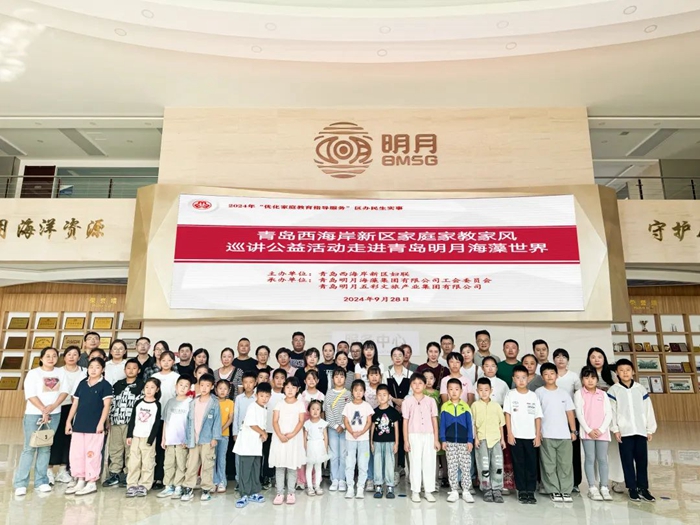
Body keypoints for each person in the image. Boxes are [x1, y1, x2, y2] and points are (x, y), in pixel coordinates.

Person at [14, 347, 69, 497]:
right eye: (48, 356)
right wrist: (43, 409)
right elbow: (30, 394)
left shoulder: (61, 372)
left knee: (45, 447)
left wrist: (52, 407)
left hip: (54, 414)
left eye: (54, 356)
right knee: (29, 448)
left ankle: (41, 481)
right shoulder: (34, 373)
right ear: (41, 358)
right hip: (34, 414)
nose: (51, 359)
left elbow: (64, 392)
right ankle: (21, 483)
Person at [609, 358, 657, 503]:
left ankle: (643, 488)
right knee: (627, 461)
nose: (625, 373)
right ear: (617, 373)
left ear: (633, 372)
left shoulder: (640, 389)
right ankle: (632, 488)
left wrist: (650, 429)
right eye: (621, 370)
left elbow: (648, 409)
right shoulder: (614, 390)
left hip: (640, 430)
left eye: (628, 370)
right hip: (625, 432)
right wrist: (615, 429)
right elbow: (612, 411)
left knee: (642, 461)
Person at [64, 357, 113, 496]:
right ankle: (80, 479)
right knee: (77, 453)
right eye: (91, 367)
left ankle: (91, 481)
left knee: (92, 453)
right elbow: (75, 404)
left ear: (102, 369)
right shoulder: (82, 384)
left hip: (95, 427)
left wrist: (101, 423)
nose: (93, 370)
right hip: (79, 425)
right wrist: (68, 421)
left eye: (97, 367)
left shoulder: (105, 385)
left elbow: (106, 406)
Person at [536, 363, 577, 503]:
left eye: (552, 373)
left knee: (565, 464)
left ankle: (565, 490)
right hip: (546, 434)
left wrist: (573, 431)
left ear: (557, 375)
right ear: (542, 377)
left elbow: (570, 413)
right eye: (546, 374)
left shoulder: (563, 393)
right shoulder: (539, 392)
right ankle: (553, 490)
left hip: (564, 435)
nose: (549, 376)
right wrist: (538, 432)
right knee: (549, 464)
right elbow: (536, 415)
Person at [587, 347, 625, 494]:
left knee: (614, 451)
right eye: (593, 357)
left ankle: (617, 479)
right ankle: (597, 481)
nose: (596, 360)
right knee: (596, 453)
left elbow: (619, 393)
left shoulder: (611, 375)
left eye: (600, 357)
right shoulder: (587, 374)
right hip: (594, 419)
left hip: (611, 418)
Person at [504, 365, 542, 504]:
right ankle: (521, 490)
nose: (521, 380)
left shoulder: (533, 395)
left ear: (528, 379)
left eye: (524, 378)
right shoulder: (510, 394)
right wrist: (509, 433)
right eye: (518, 378)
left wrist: (537, 435)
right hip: (516, 436)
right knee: (518, 464)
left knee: (531, 464)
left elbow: (538, 416)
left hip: (531, 436)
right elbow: (507, 414)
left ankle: (530, 491)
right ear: (513, 379)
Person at [574, 366, 613, 501]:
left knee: (602, 459)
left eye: (593, 377)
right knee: (590, 458)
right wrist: (588, 430)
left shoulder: (603, 394)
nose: (590, 380)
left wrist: (601, 429)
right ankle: (592, 487)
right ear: (582, 379)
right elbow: (579, 413)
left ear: (597, 379)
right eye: (586, 378)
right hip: (587, 433)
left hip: (603, 433)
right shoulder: (579, 394)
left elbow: (609, 413)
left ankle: (604, 487)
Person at [103, 358, 143, 488]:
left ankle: (128, 474)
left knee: (130, 449)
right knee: (115, 448)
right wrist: (108, 420)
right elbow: (111, 403)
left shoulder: (141, 385)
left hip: (131, 423)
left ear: (139, 370)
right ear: (124, 370)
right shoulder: (117, 385)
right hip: (116, 421)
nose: (131, 370)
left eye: (134, 368)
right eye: (128, 368)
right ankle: (114, 473)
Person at [181, 374, 221, 502]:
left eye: (207, 386)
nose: (204, 388)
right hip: (194, 439)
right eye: (202, 385)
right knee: (191, 464)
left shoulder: (214, 403)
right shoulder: (193, 402)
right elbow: (188, 422)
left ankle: (206, 489)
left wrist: (215, 437)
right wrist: (187, 439)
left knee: (207, 464)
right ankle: (188, 487)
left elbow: (217, 421)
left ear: (212, 387)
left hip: (207, 439)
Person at [49, 345, 85, 485]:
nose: (71, 357)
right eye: (69, 354)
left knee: (69, 439)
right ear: (64, 357)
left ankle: (63, 470)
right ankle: (49, 469)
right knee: (54, 438)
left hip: (76, 408)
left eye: (75, 354)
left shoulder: (84, 371)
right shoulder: (57, 371)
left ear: (79, 357)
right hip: (58, 407)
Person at [403, 372, 440, 503]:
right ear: (411, 385)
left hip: (429, 435)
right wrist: (406, 440)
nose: (417, 385)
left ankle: (428, 491)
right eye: (414, 383)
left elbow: (434, 420)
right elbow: (405, 421)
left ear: (425, 385)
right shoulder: (407, 401)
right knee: (415, 463)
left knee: (429, 463)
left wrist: (436, 439)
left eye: (420, 383)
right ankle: (415, 491)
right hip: (413, 435)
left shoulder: (431, 401)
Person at [269, 377, 307, 505]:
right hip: (279, 438)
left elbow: (301, 421)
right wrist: (280, 435)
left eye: (293, 387)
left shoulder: (300, 404)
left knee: (292, 466)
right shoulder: (279, 403)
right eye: (288, 387)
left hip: (294, 439)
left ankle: (291, 492)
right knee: (280, 466)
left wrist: (291, 435)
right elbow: (275, 421)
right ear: (284, 388)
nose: (290, 390)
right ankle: (279, 493)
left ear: (297, 389)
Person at [233, 382, 271, 508]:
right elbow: (251, 424)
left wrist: (263, 433)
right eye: (261, 396)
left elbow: (261, 425)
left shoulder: (264, 408)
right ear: (256, 395)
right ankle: (244, 494)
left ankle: (254, 492)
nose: (264, 399)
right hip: (247, 445)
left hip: (256, 445)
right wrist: (263, 433)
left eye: (267, 396)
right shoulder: (252, 407)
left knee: (255, 469)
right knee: (246, 470)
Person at [552, 348, 583, 491]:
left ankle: (575, 482)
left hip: (571, 418)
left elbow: (579, 395)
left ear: (568, 360)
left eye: (564, 357)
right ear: (553, 360)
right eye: (557, 357)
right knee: (555, 452)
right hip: (553, 418)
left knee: (573, 451)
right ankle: (556, 481)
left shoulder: (573, 376)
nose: (561, 359)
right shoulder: (550, 375)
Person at [125, 377, 162, 497]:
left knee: (147, 462)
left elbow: (156, 424)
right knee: (133, 462)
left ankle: (144, 485)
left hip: (148, 438)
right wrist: (129, 435)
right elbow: (132, 420)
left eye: (152, 387)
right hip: (136, 436)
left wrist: (151, 439)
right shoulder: (139, 403)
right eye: (147, 387)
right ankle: (132, 484)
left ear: (157, 389)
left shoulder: (157, 405)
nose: (149, 390)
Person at [439, 378, 475, 503]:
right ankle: (454, 490)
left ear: (461, 391)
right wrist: (443, 439)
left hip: (464, 442)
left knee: (465, 466)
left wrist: (470, 440)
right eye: (451, 389)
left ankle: (466, 490)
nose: (454, 392)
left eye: (456, 389)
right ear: (447, 391)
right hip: (450, 442)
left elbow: (470, 425)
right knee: (452, 466)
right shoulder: (445, 407)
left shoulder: (465, 407)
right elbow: (442, 425)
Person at [472, 377, 506, 503]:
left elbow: (501, 424)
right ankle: (486, 489)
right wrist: (475, 438)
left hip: (495, 439)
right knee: (483, 465)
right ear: (477, 391)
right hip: (482, 439)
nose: (484, 392)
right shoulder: (475, 406)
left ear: (491, 390)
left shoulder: (496, 406)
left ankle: (497, 489)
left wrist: (502, 440)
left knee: (497, 464)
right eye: (481, 390)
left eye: (486, 390)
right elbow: (473, 424)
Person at [157, 376, 192, 499]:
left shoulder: (190, 402)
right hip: (170, 439)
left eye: (186, 386)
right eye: (181, 385)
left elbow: (191, 423)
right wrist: (163, 438)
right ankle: (168, 486)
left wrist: (188, 439)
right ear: (176, 386)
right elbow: (165, 421)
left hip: (182, 440)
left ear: (189, 388)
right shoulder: (170, 402)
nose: (183, 388)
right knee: (168, 463)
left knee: (181, 463)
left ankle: (178, 486)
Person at [151, 350, 179, 489]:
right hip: (154, 416)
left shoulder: (176, 377)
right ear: (159, 362)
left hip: (170, 417)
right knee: (155, 447)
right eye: (163, 360)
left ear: (173, 362)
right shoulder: (154, 376)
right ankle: (154, 477)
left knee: (166, 447)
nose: (166, 363)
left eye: (169, 360)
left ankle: (164, 478)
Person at [342, 379, 374, 499]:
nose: (358, 393)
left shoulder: (367, 406)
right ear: (352, 391)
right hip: (350, 439)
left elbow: (369, 422)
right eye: (356, 390)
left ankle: (360, 487)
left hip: (363, 439)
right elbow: (346, 421)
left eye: (361, 390)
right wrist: (352, 432)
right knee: (350, 463)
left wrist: (361, 432)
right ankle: (350, 487)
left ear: (364, 392)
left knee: (363, 463)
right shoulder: (348, 406)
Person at [383, 346, 411, 476]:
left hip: (407, 413)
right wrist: (395, 401)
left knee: (406, 439)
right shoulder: (386, 374)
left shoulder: (410, 374)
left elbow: (412, 393)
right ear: (391, 358)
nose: (398, 358)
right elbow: (384, 393)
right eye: (395, 355)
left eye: (400, 355)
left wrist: (403, 403)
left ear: (404, 357)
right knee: (394, 440)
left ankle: (407, 470)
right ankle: (394, 470)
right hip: (391, 411)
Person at [324, 368, 352, 492]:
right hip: (332, 429)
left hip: (345, 429)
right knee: (334, 455)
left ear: (345, 379)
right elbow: (328, 411)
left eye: (341, 376)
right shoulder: (329, 393)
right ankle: (334, 479)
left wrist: (343, 425)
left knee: (344, 455)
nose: (339, 379)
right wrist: (336, 425)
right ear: (332, 379)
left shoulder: (348, 394)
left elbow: (349, 410)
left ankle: (342, 479)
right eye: (336, 376)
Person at [296, 369, 325, 489]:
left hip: (316, 429)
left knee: (315, 454)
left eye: (314, 378)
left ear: (317, 381)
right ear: (304, 381)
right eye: (309, 378)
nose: (311, 381)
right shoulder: (301, 395)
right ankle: (301, 480)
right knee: (303, 453)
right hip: (303, 427)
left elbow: (322, 414)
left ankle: (315, 480)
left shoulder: (321, 395)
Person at [371, 384, 400, 499]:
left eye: (384, 395)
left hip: (390, 441)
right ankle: (378, 485)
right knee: (377, 463)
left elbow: (396, 428)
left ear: (389, 396)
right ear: (376, 397)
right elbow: (372, 428)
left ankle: (389, 486)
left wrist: (397, 443)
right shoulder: (374, 412)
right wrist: (371, 442)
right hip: (377, 441)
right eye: (379, 395)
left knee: (389, 463)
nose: (382, 397)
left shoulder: (393, 412)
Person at [263, 369, 287, 488]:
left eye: (282, 378)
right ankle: (267, 476)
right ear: (272, 380)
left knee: (280, 455)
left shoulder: (287, 395)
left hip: (281, 432)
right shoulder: (267, 394)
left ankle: (279, 479)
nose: (279, 380)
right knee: (267, 454)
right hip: (267, 430)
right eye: (276, 378)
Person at [233, 371, 258, 482]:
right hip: (241, 432)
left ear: (255, 383)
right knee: (239, 457)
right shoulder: (239, 398)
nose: (248, 385)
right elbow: (236, 416)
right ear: (242, 383)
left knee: (252, 457)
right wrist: (235, 433)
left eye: (251, 382)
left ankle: (251, 480)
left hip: (254, 432)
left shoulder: (257, 398)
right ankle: (239, 480)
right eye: (245, 382)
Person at [304, 399, 330, 496]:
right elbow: (305, 437)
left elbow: (325, 437)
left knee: (318, 467)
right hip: (310, 446)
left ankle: (317, 486)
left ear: (321, 411)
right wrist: (305, 449)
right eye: (313, 409)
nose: (315, 411)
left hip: (320, 446)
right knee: (309, 467)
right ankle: (310, 487)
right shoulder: (307, 423)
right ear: (309, 410)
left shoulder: (323, 423)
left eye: (318, 409)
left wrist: (325, 449)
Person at [214, 379, 234, 493]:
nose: (222, 391)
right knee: (212, 458)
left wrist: (221, 429)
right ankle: (213, 481)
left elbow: (230, 418)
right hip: (212, 436)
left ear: (229, 391)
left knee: (221, 459)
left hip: (224, 435)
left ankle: (222, 481)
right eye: (220, 388)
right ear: (216, 390)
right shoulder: (212, 401)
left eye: (225, 389)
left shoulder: (230, 403)